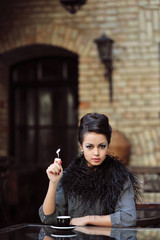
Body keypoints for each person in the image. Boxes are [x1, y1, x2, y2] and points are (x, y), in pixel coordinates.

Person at [39, 113, 140, 227]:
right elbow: (48, 219)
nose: (96, 153)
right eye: (89, 146)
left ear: (108, 145)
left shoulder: (120, 178)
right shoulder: (68, 178)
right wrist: (53, 182)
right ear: (81, 146)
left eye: (102, 146)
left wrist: (88, 219)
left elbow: (128, 218)